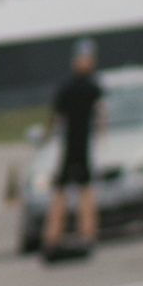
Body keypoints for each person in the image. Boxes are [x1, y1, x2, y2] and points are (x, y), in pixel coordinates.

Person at [42, 37, 102, 259]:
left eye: (87, 59)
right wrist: (48, 135)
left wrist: (101, 136)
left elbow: (100, 114)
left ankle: (87, 233)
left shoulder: (93, 87)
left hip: (83, 146)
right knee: (61, 190)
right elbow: (55, 115)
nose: (85, 63)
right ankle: (52, 236)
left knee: (86, 190)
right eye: (82, 59)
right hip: (70, 146)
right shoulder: (68, 87)